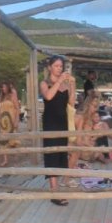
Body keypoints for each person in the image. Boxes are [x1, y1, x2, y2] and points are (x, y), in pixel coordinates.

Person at [40, 55, 74, 205]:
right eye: (56, 66)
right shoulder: (44, 83)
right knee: (51, 154)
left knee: (61, 155)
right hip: (50, 123)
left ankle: (57, 189)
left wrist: (72, 85)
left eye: (61, 66)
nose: (59, 69)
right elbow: (48, 96)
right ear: (50, 67)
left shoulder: (65, 84)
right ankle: (54, 193)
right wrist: (59, 81)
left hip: (62, 122)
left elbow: (71, 102)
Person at [0, 83, 21, 166]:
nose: (3, 88)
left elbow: (17, 108)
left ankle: (16, 158)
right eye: (2, 87)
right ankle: (5, 160)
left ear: (8, 87)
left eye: (5, 86)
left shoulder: (12, 95)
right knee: (3, 141)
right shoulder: (1, 97)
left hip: (11, 121)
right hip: (3, 122)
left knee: (13, 141)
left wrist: (17, 120)